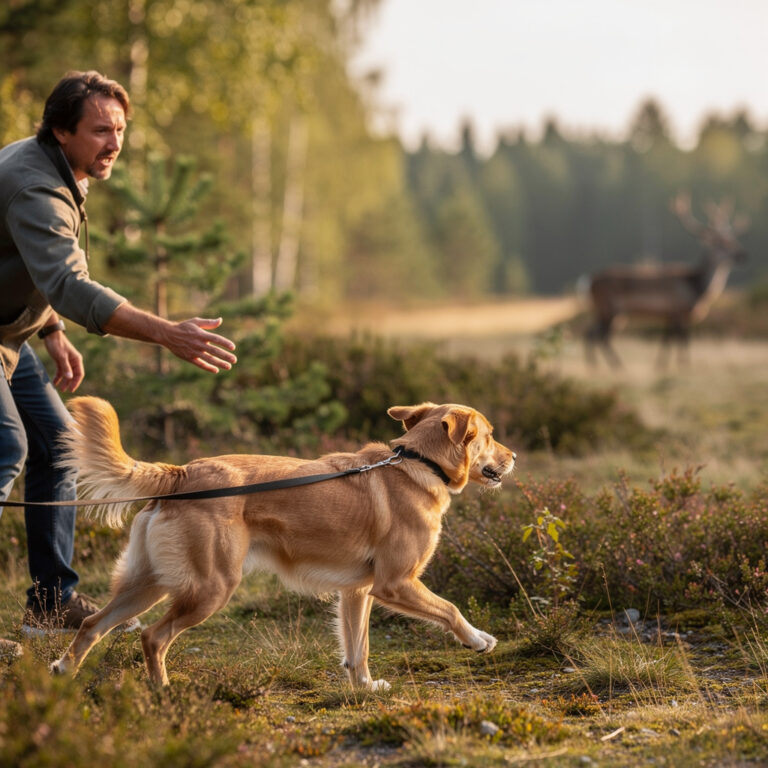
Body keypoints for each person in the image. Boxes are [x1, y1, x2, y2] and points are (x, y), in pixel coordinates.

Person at [0, 70, 237, 657]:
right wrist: (166, 334)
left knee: (60, 444)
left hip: (11, 337)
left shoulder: (55, 169)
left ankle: (51, 604)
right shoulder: (35, 185)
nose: (115, 143)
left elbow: (24, 265)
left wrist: (50, 330)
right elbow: (67, 280)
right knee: (7, 448)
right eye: (101, 130)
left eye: (121, 129)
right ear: (61, 131)